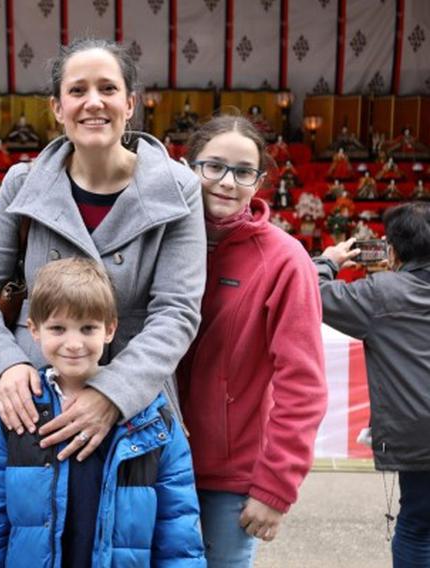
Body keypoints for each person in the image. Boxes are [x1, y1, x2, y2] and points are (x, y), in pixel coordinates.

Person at [0, 38, 205, 470]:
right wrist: (6, 366)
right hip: (33, 400)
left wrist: (112, 394)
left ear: (130, 104)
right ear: (57, 108)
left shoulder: (178, 190)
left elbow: (177, 312)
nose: (93, 103)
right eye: (77, 91)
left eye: (108, 89)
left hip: (134, 404)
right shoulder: (21, 183)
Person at [0, 258, 206, 567]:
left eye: (88, 328)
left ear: (109, 329)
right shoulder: (11, 414)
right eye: (58, 328)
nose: (74, 343)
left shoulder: (154, 419)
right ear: (34, 330)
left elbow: (179, 530)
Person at [178, 115, 328, 567]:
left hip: (226, 479)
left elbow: (303, 385)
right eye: (214, 166)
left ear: (259, 181)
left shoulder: (284, 260)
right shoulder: (158, 240)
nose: (227, 182)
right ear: (188, 167)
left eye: (243, 171)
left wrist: (276, 488)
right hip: (148, 466)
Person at [316, 203, 430, 568]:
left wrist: (330, 260)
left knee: (416, 525)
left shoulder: (381, 293)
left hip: (418, 434)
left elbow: (311, 293)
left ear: (392, 250)